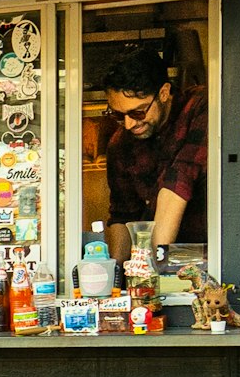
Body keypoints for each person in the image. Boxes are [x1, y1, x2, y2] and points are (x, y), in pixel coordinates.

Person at [87, 42, 212, 256]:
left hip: (207, 256)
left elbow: (179, 179)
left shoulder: (200, 106)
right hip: (152, 264)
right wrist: (116, 275)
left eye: (138, 113)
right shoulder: (120, 144)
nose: (128, 124)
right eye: (118, 115)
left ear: (163, 93)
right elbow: (123, 215)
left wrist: (156, 265)